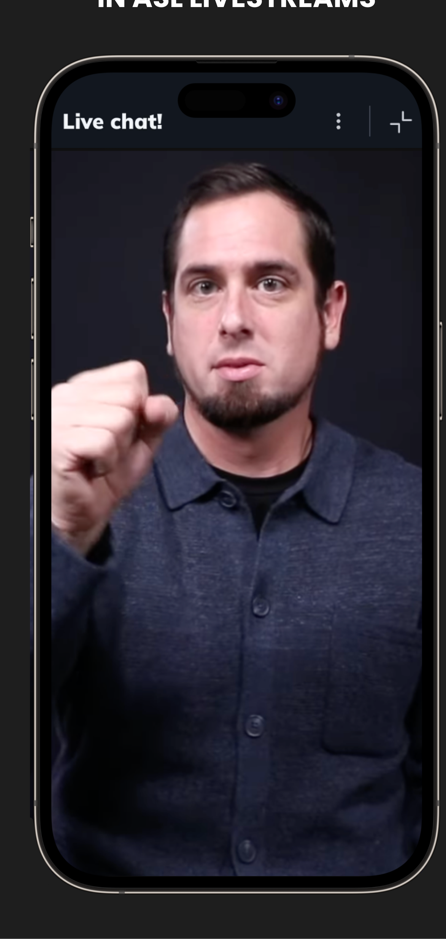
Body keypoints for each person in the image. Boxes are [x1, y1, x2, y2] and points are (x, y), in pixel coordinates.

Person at [41, 163, 422, 879]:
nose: (233, 318)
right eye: (203, 286)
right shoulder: (75, 496)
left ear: (330, 313)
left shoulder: (420, 515)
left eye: (271, 282)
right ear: (169, 321)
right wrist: (58, 538)